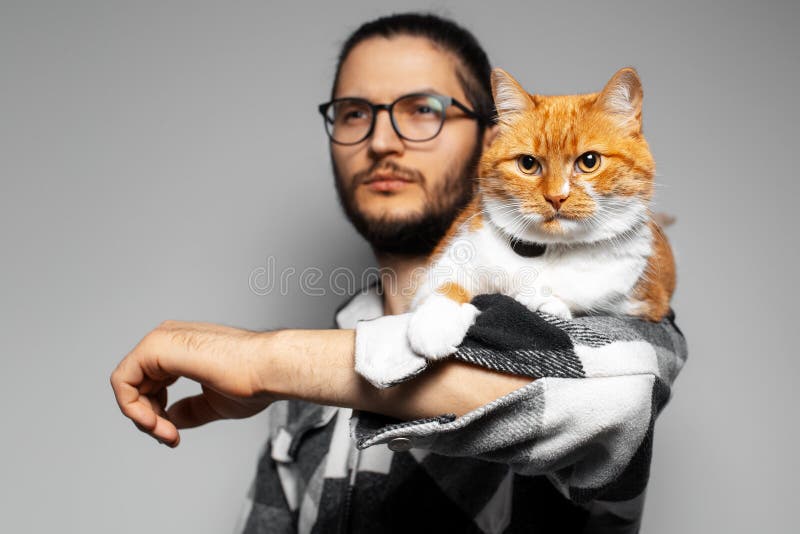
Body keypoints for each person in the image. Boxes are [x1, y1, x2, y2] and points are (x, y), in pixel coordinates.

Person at [109, 13, 687, 534]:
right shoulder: (299, 394)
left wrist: (272, 360)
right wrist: (288, 372)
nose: (381, 141)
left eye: (422, 110)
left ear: (493, 133)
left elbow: (614, 402)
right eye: (355, 113)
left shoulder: (619, 300)